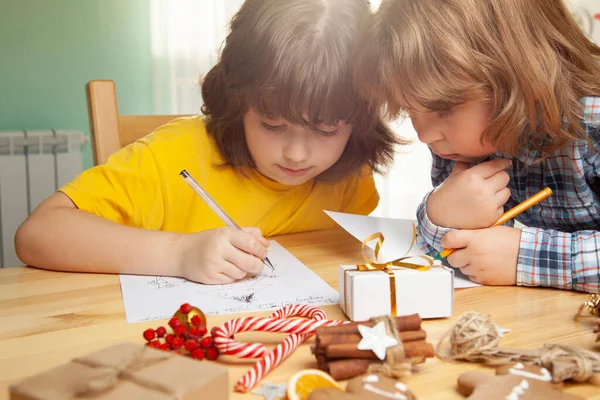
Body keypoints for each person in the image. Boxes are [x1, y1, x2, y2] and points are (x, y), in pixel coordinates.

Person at [15, 0, 400, 285]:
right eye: (271, 124)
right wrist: (179, 254)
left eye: (328, 129)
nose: (297, 154)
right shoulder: (173, 157)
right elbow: (38, 234)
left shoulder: (350, 173)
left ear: (362, 117)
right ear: (237, 100)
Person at [354, 0, 600, 292]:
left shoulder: (592, 119)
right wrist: (439, 215)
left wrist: (525, 258)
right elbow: (449, 254)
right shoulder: (460, 142)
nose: (425, 135)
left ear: (524, 75)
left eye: (444, 109)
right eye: (410, 110)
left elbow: (511, 259)